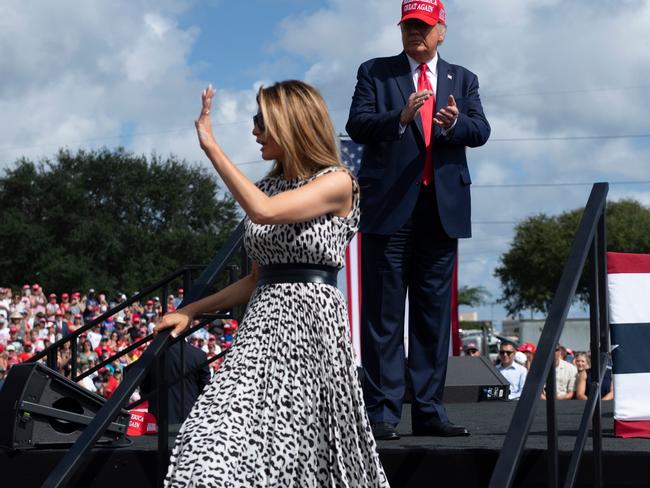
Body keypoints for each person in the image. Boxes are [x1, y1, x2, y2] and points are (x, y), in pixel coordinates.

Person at [154, 80, 389, 486]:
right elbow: (256, 279)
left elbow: (263, 213)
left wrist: (211, 146)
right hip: (261, 327)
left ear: (291, 122)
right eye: (255, 121)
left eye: (261, 121)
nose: (254, 131)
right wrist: (191, 310)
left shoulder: (338, 182)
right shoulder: (268, 186)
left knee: (305, 456)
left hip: (312, 329)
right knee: (210, 436)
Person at [345, 0, 490, 440]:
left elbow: (481, 131)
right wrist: (401, 116)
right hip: (388, 209)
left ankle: (429, 409)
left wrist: (453, 124)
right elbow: (357, 125)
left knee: (431, 317)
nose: (415, 33)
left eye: (424, 27)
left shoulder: (463, 78)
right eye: (409, 25)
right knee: (384, 316)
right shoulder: (375, 71)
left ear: (441, 31)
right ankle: (383, 413)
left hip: (441, 211)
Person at [141, 339, 211, 425]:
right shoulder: (199, 355)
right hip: (189, 415)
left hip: (159, 415)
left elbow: (144, 388)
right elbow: (206, 388)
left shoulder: (151, 355)